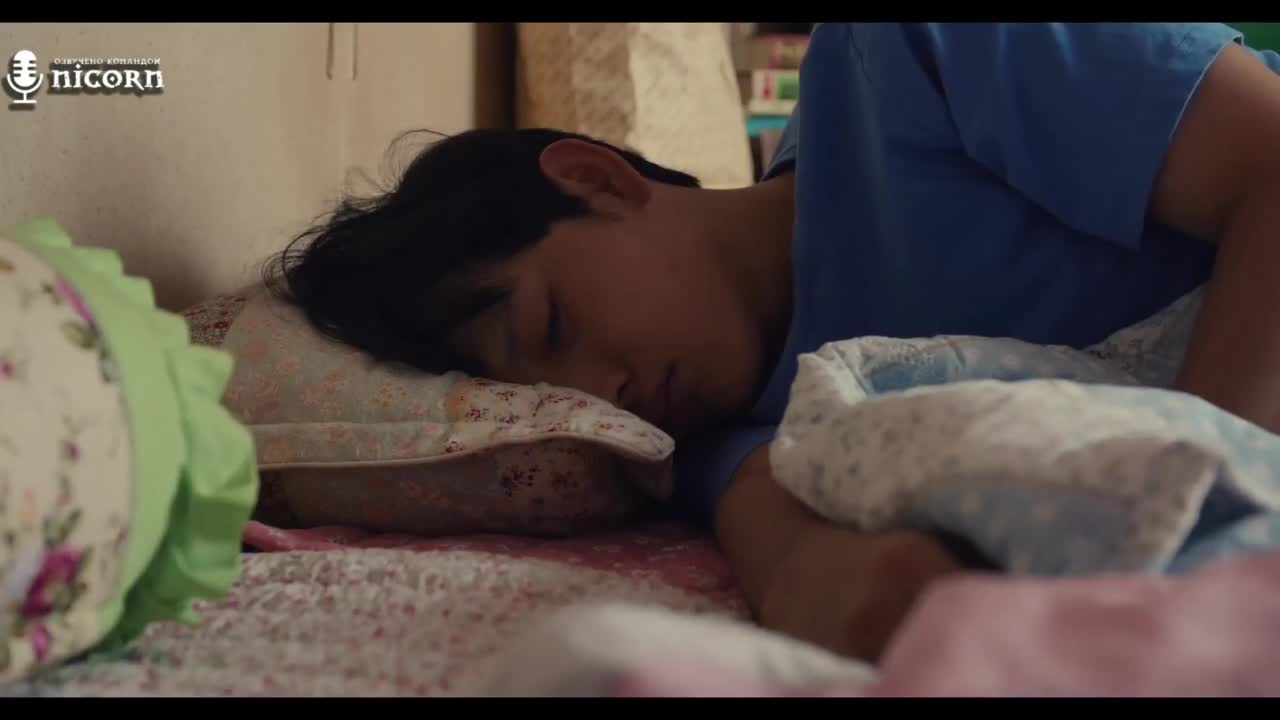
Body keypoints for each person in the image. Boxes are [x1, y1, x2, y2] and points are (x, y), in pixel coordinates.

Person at [265, 23, 1280, 662]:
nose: (605, 395)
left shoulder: (910, 62)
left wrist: (1194, 505)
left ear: (595, 180)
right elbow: (801, 560)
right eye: (561, 400)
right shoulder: (722, 434)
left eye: (554, 326)